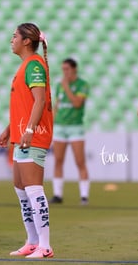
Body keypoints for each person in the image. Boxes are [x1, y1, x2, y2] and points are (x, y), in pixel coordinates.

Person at [0, 23, 54, 258]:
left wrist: (30, 130)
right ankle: (32, 241)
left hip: (34, 136)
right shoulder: (25, 66)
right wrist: (10, 129)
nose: (12, 40)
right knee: (21, 190)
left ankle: (45, 246)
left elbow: (39, 101)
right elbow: (25, 104)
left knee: (33, 190)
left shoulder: (34, 65)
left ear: (26, 41)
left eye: (14, 36)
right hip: (22, 136)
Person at [50, 58, 90, 205]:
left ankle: (84, 196)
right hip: (60, 126)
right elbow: (57, 105)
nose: (64, 72)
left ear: (74, 69)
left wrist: (66, 87)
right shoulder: (59, 86)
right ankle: (57, 194)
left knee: (80, 161)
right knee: (58, 161)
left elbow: (77, 103)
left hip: (75, 127)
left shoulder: (82, 85)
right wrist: (52, 122)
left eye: (67, 69)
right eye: (63, 69)